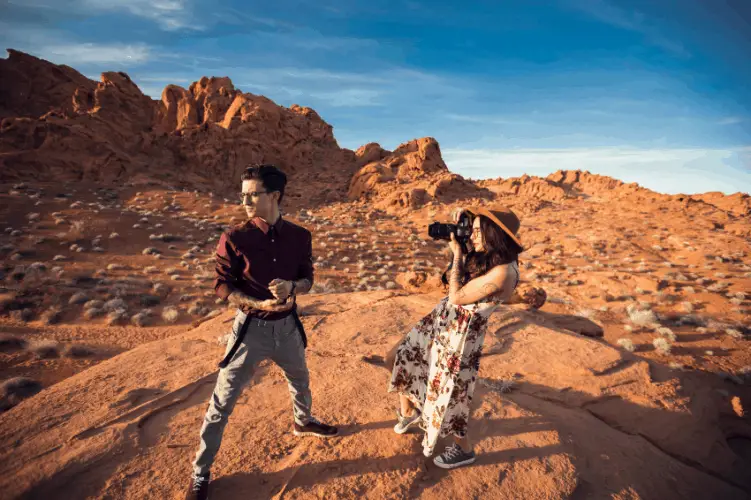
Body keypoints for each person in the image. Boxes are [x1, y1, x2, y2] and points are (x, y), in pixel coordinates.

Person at [186, 164, 338, 500]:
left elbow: (308, 279)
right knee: (221, 403)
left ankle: (303, 421)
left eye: (253, 194)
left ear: (275, 195)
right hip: (250, 330)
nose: (245, 201)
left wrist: (291, 287)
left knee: (300, 378)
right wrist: (254, 303)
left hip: (288, 327)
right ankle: (201, 474)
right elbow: (221, 284)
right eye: (243, 194)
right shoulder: (234, 238)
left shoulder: (300, 236)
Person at [387, 205, 531, 469]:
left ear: (493, 233)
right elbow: (453, 289)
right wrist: (464, 244)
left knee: (452, 392)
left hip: (461, 335)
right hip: (444, 319)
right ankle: (409, 412)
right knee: (402, 355)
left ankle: (463, 450)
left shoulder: (504, 272)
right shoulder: (490, 258)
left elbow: (456, 296)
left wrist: (457, 255)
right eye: (472, 230)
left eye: (477, 231)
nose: (472, 236)